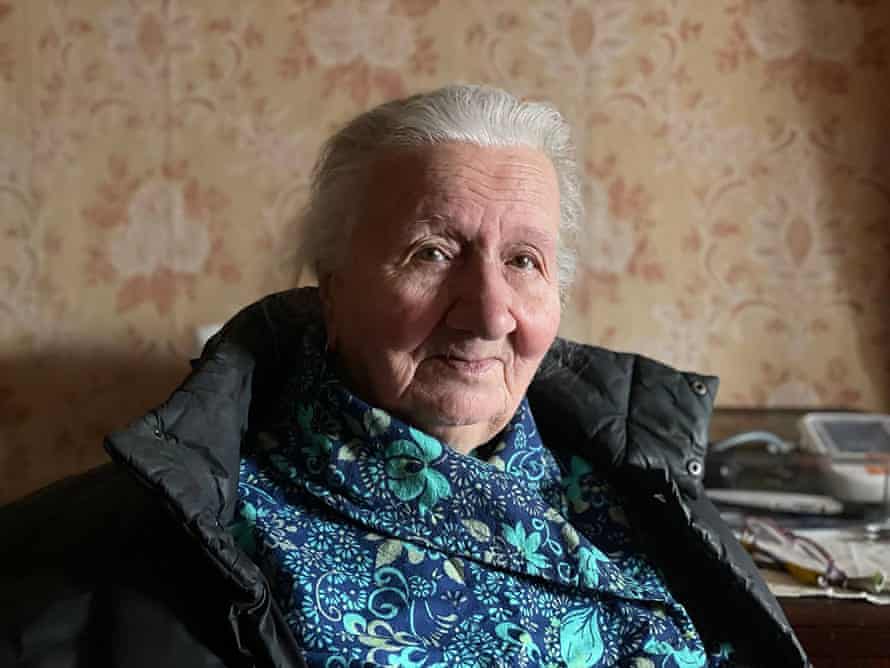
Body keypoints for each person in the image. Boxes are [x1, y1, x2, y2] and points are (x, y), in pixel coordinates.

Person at [0, 85, 808, 667]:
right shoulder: (208, 544)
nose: (489, 313)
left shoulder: (640, 482)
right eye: (431, 253)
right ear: (333, 286)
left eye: (525, 261)